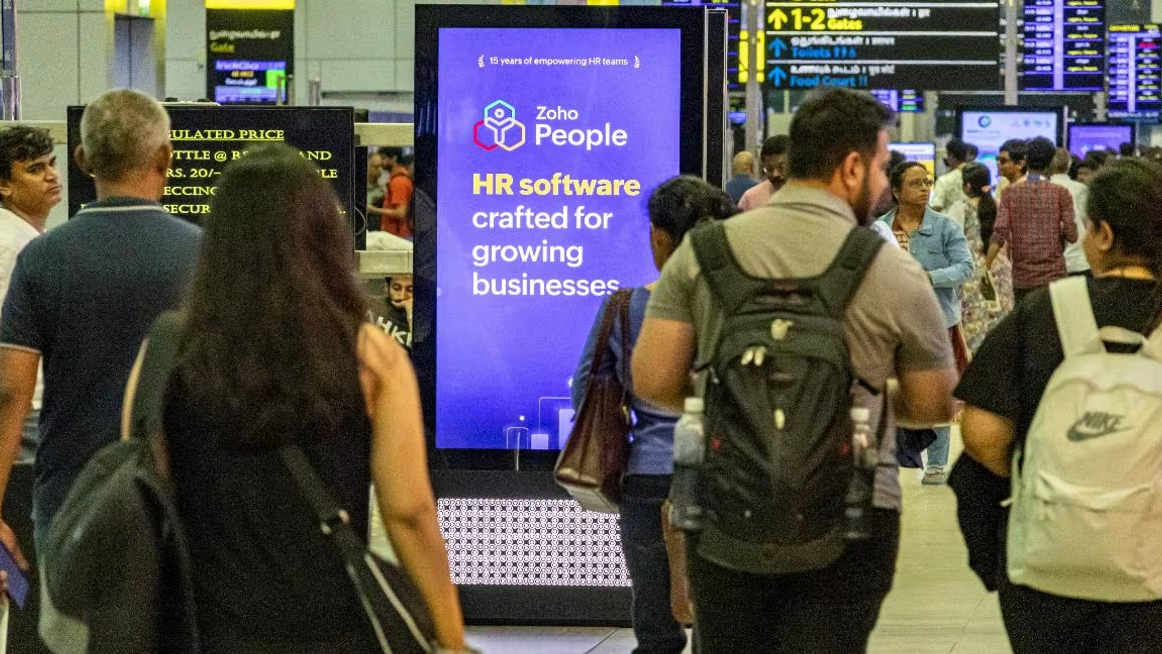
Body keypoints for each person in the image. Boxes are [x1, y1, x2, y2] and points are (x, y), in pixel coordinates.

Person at [631, 88, 958, 652]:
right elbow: (935, 403)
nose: (883, 185)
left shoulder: (703, 253)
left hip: (723, 505)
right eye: (882, 167)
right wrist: (859, 395)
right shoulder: (891, 268)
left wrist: (735, 393)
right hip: (853, 511)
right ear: (852, 167)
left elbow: (655, 380)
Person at [163, 143, 468, 652]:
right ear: (324, 234)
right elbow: (409, 511)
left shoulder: (171, 346)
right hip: (332, 625)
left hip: (203, 623)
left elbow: (147, 480)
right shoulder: (370, 354)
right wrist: (451, 638)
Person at [956, 158, 1162, 654]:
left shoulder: (1048, 310)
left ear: (1105, 235)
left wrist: (1043, 473)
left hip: (1049, 571)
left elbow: (981, 433)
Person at [0, 89, 202, 564]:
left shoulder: (43, 259)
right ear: (165, 158)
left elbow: (11, 391)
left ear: (82, 159)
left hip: (70, 501)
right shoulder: (206, 254)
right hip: (180, 500)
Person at [573, 175, 737, 654]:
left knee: (655, 615)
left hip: (649, 474)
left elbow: (587, 386)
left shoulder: (626, 307)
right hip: (726, 472)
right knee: (721, 611)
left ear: (659, 237)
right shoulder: (741, 306)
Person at [878, 161, 974, 485]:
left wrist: (927, 276)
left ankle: (936, 463)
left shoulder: (945, 227)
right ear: (895, 191)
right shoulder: (881, 229)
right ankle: (900, 453)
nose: (924, 189)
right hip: (894, 323)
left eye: (927, 182)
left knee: (941, 390)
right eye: (916, 183)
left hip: (938, 321)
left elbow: (965, 267)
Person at [0, 126, 60, 464]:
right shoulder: (9, 246)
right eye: (35, 169)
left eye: (51, 164)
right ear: (4, 185)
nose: (51, 176)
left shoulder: (33, 238)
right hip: (26, 409)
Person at [987, 136, 1077, 305]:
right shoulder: (1061, 193)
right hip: (1054, 277)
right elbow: (1072, 236)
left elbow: (999, 234)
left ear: (1026, 160)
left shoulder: (1009, 193)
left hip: (1023, 278)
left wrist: (986, 266)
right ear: (1051, 162)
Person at [951, 162, 1014, 353]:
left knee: (973, 324)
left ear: (967, 186)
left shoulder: (959, 208)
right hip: (999, 267)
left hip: (972, 271)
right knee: (998, 320)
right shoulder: (998, 205)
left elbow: (951, 241)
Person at [1049, 147, 1090, 277]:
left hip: (1049, 263)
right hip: (1078, 260)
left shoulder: (1039, 190)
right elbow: (1087, 224)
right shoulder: (1081, 189)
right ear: (1069, 164)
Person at [737, 135, 789, 211]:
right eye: (769, 169)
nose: (775, 174)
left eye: (781, 167)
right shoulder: (751, 198)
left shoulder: (809, 195)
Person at [370, 274, 414, 348]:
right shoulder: (371, 306)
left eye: (410, 290)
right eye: (396, 288)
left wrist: (411, 315)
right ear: (387, 288)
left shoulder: (430, 317)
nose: (402, 296)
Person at [930, 137, 970, 212]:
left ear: (950, 156)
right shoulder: (976, 175)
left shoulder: (944, 180)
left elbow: (936, 207)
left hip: (949, 221)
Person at [382, 152, 414, 238]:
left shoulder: (399, 181)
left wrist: (372, 209)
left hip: (398, 235)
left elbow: (400, 213)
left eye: (384, 158)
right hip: (396, 234)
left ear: (394, 158)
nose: (381, 162)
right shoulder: (397, 179)